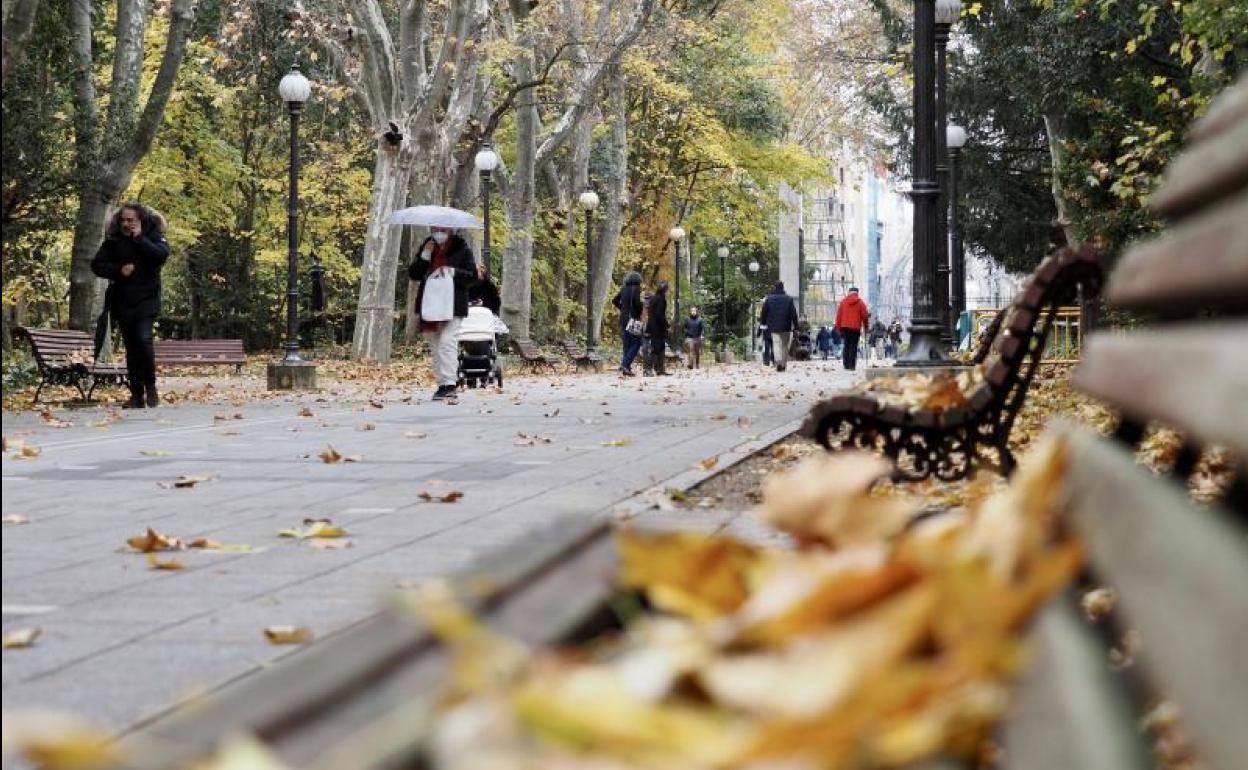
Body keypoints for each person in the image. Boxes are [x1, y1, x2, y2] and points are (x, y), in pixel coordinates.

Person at [90, 203, 171, 408]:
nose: (126, 224)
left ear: (140, 221)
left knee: (144, 340)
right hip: (123, 301)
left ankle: (150, 386)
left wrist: (139, 238)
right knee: (132, 348)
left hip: (147, 299)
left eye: (130, 220)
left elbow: (161, 255)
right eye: (123, 220)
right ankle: (136, 394)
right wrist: (118, 270)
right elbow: (97, 265)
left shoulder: (153, 236)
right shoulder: (114, 241)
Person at [409, 225, 478, 400]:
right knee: (436, 346)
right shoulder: (428, 245)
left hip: (453, 304)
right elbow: (414, 274)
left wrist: (453, 272)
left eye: (443, 229)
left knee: (447, 342)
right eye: (435, 228)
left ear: (451, 230)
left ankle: (449, 383)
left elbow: (472, 276)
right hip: (430, 304)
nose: (438, 232)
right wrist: (425, 255)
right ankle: (441, 384)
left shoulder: (462, 248)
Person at [759, 281, 799, 372]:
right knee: (785, 345)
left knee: (776, 344)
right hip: (786, 326)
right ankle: (783, 364)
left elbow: (764, 312)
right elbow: (794, 314)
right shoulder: (788, 299)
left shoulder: (769, 299)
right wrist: (796, 326)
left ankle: (778, 361)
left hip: (773, 326)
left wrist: (763, 323)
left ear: (775, 288)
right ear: (783, 287)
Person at [611, 271, 644, 376]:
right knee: (636, 342)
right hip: (632, 320)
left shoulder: (624, 289)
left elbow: (614, 300)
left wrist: (623, 309)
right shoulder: (636, 289)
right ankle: (625, 364)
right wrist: (641, 309)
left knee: (627, 344)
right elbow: (637, 304)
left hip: (623, 320)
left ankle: (626, 368)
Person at [834, 286, 870, 371]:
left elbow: (838, 316)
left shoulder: (843, 302)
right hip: (855, 327)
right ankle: (852, 365)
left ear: (849, 292)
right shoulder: (860, 303)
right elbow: (865, 316)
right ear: (857, 293)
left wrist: (838, 328)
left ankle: (846, 364)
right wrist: (866, 327)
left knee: (846, 345)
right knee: (853, 346)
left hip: (844, 327)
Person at [645, 281, 671, 375]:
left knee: (660, 348)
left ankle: (659, 369)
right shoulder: (661, 300)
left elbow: (651, 314)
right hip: (658, 327)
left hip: (653, 326)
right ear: (665, 290)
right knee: (656, 348)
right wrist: (667, 325)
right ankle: (649, 369)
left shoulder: (654, 299)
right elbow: (660, 314)